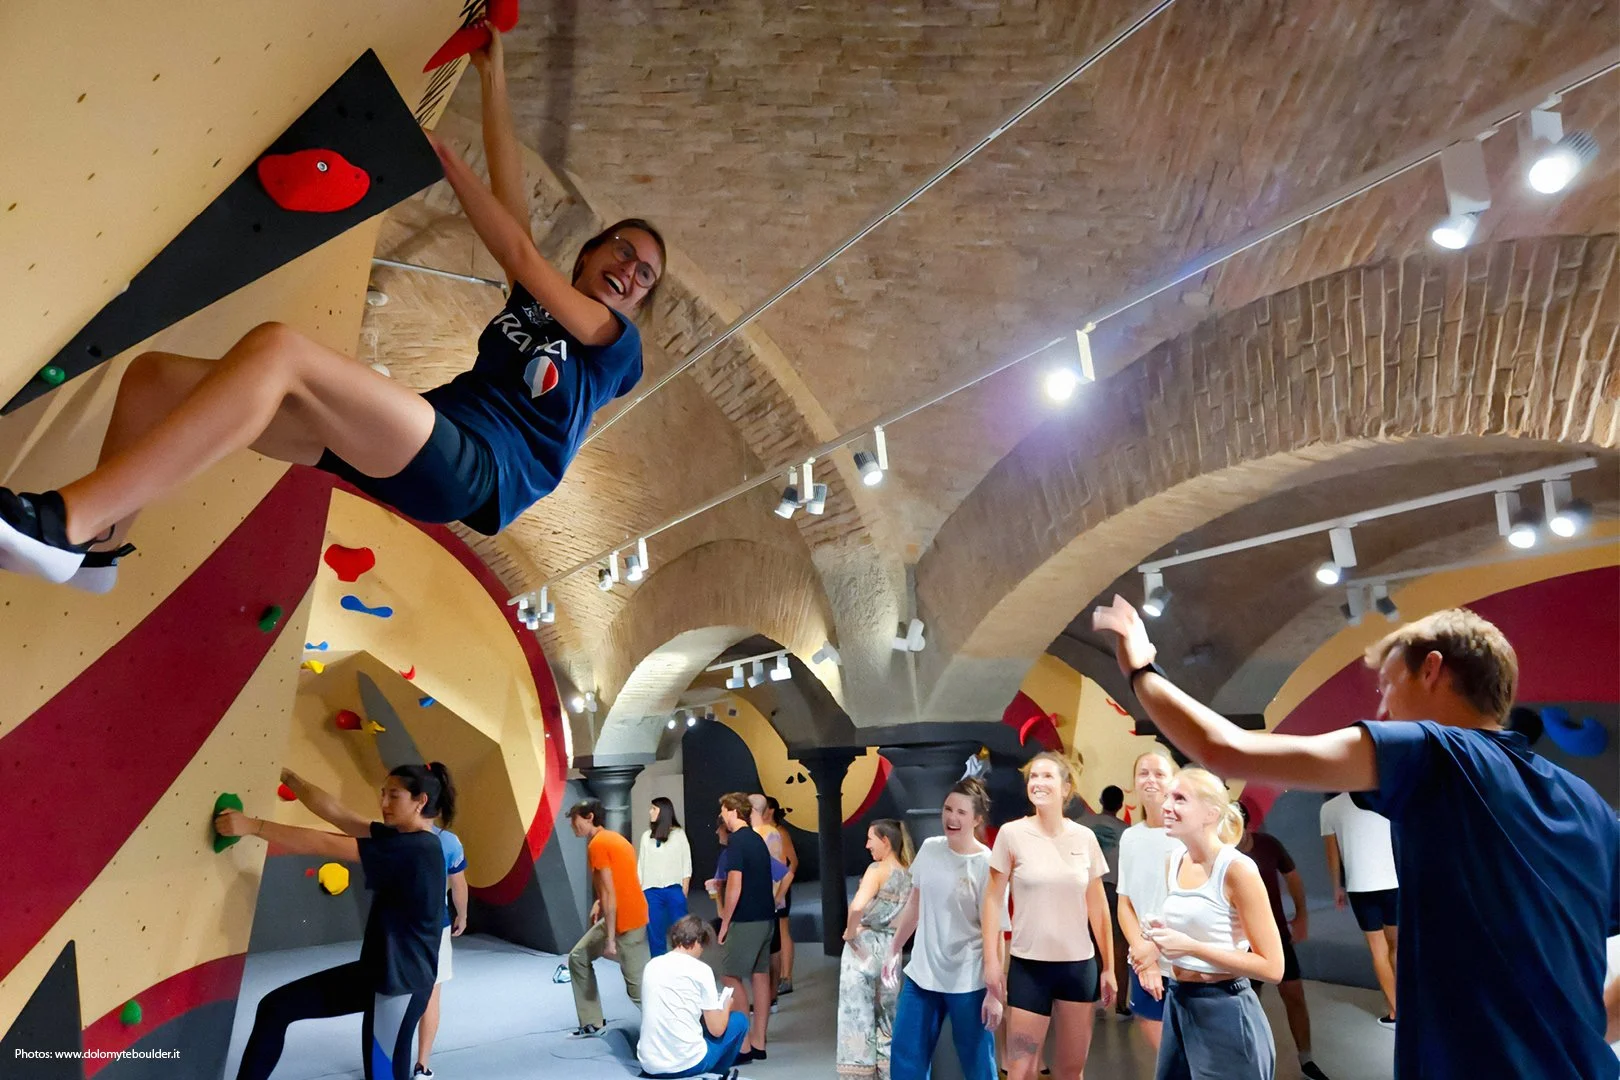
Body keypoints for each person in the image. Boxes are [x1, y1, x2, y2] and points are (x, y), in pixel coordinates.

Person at [0, 21, 662, 592]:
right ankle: (103, 547)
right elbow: (513, 196)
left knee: (281, 351)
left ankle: (67, 523)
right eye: (623, 251)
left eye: (644, 275)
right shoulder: (539, 302)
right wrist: (494, 75)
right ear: (588, 253)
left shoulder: (614, 345)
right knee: (153, 379)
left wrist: (440, 156)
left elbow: (519, 251)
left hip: (473, 468)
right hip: (417, 446)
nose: (629, 272)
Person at [1093, 596, 1620, 1078]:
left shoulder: (1438, 752)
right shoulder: (1589, 806)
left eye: (1389, 686)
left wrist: (1141, 669)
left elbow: (1225, 749)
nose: (1384, 709)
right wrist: (1578, 1037)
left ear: (1432, 669)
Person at [221, 764, 449, 1080]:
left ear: (420, 801)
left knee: (383, 1076)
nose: (383, 804)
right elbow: (341, 816)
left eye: (393, 796)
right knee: (275, 1008)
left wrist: (253, 826)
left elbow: (325, 843)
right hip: (376, 974)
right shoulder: (402, 838)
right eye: (383, 794)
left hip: (401, 986)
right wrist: (291, 778)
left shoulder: (415, 849)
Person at [982, 750, 1116, 1080]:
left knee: (1071, 1070)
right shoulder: (1012, 834)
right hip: (1029, 967)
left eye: (1047, 776)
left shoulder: (1084, 838)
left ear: (1066, 787)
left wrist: (1109, 967)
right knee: (1021, 1068)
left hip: (1078, 967)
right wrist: (992, 963)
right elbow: (992, 900)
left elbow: (1098, 907)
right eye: (1034, 777)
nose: (1038, 783)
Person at [1144, 767, 1283, 1079]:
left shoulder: (1237, 869)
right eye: (1168, 797)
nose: (1166, 806)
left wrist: (1191, 947)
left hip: (1225, 1009)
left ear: (1211, 812)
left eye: (1179, 798)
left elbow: (1273, 967)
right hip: (1179, 1002)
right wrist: (1154, 944)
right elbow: (1194, 930)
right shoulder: (1174, 861)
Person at [885, 779, 1001, 1080]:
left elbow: (995, 931)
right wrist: (894, 949)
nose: (952, 818)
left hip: (968, 979)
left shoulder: (987, 864)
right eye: (948, 809)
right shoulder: (930, 849)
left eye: (961, 812)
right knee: (905, 1057)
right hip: (922, 975)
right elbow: (915, 905)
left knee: (977, 1062)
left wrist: (995, 993)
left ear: (976, 819)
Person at [1237, 800, 1328, 1080]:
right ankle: (1248, 1063)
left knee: (1294, 996)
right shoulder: (1222, 854)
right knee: (1245, 1004)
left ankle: (1306, 1060)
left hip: (1276, 936)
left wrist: (1301, 915)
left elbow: (1293, 878)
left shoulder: (1268, 845)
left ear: (1246, 824)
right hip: (1241, 942)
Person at [566, 798, 651, 1037]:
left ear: (589, 817)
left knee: (638, 990)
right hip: (628, 915)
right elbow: (616, 883)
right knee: (578, 957)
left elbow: (612, 895)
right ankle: (592, 1021)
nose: (573, 826)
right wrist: (598, 902)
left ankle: (675, 1031)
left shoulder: (598, 845)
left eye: (575, 820)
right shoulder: (614, 839)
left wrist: (611, 939)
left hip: (626, 922)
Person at [1115, 747, 1180, 1052]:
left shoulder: (1187, 835)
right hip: (1145, 963)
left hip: (1186, 962)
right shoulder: (1130, 837)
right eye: (1143, 773)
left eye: (1159, 773)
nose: (1150, 780)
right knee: (1165, 1058)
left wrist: (1154, 951)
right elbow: (1125, 903)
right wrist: (1142, 953)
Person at [837, 819, 913, 1080]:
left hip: (864, 948)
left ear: (886, 841)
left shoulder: (877, 869)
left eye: (871, 838)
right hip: (891, 951)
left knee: (857, 1017)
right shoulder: (908, 872)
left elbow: (857, 906)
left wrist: (850, 932)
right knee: (888, 1021)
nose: (867, 844)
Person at [1318, 790, 1399, 1026]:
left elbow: (1333, 856)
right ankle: (1408, 1007)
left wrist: (1337, 888)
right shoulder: (1387, 798)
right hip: (1394, 882)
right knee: (1397, 948)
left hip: (1360, 886)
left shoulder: (1330, 808)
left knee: (1378, 951)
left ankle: (1396, 1013)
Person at [637, 916, 749, 1079]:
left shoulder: (652, 965)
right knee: (739, 1020)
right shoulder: (701, 970)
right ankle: (717, 1074)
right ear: (697, 941)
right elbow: (716, 1030)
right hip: (686, 1064)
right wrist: (726, 1006)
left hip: (650, 1064)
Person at [415, 772, 469, 1080]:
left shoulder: (393, 838)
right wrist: (462, 915)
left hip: (405, 930)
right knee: (431, 995)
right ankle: (423, 1064)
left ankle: (390, 1062)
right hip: (437, 927)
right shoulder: (449, 842)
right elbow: (458, 886)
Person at [716, 792, 776, 1062]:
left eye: (723, 811)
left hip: (746, 919)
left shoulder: (737, 842)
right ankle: (759, 1041)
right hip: (766, 917)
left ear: (732, 811)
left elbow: (734, 886)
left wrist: (725, 922)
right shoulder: (756, 839)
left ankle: (743, 1046)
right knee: (760, 976)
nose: (721, 816)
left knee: (730, 976)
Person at [1073, 783, 1130, 1019]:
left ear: (1100, 800)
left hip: (1084, 890)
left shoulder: (1084, 825)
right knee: (1119, 949)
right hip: (1115, 890)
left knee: (1089, 947)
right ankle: (1121, 1007)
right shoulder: (1126, 831)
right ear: (1121, 805)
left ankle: (1093, 998)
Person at [639, 797, 692, 959]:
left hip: (674, 890)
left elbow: (686, 865)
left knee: (682, 933)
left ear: (664, 811)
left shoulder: (679, 835)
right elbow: (640, 867)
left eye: (654, 809)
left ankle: (683, 968)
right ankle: (659, 969)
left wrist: (684, 892)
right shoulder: (646, 837)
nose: (650, 812)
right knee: (655, 934)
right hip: (651, 891)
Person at [764, 796, 800, 995]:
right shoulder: (763, 832)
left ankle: (787, 976)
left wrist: (783, 889)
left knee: (782, 929)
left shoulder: (780, 832)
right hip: (769, 888)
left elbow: (792, 862)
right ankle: (778, 977)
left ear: (770, 811)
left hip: (780, 888)